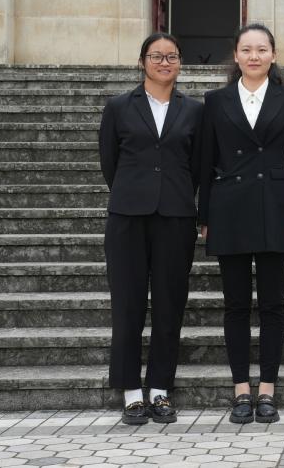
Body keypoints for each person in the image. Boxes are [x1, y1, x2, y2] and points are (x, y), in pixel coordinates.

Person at [199, 23, 284, 424]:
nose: (254, 56)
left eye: (261, 49)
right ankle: (241, 391)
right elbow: (205, 160)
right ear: (236, 55)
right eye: (246, 49)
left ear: (273, 55)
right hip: (228, 208)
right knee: (235, 305)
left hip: (276, 207)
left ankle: (267, 391)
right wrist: (204, 215)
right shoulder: (216, 100)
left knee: (272, 304)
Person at [98, 32, 202, 425]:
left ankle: (159, 389)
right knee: (127, 305)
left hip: (175, 217)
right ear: (142, 61)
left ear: (180, 63)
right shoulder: (119, 107)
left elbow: (198, 164)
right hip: (128, 217)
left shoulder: (194, 110)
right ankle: (130, 392)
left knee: (169, 305)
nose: (164, 63)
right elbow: (110, 161)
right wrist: (134, 192)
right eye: (156, 56)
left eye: (171, 56)